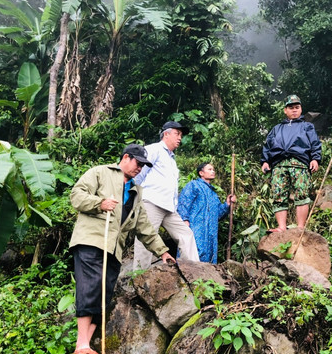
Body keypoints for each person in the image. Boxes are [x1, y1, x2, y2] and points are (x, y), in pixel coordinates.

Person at [69, 144, 176, 354]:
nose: (140, 168)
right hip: (91, 241)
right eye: (138, 163)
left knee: (104, 296)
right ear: (126, 157)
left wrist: (163, 252)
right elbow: (76, 195)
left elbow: (144, 226)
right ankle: (81, 345)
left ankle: (86, 346)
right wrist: (99, 203)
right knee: (90, 288)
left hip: (113, 250)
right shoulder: (100, 172)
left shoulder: (136, 192)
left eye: (144, 165)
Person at [133, 121, 200, 269]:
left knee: (186, 235)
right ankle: (138, 277)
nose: (180, 138)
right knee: (146, 239)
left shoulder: (172, 159)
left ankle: (195, 274)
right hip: (152, 202)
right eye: (177, 133)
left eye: (181, 135)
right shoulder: (153, 149)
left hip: (169, 207)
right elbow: (137, 174)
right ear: (166, 134)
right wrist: (134, 197)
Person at [261, 94, 321, 232]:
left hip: (299, 162)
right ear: (285, 110)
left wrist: (315, 159)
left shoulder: (307, 126)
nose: (294, 110)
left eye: (297, 107)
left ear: (301, 109)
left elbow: (315, 143)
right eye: (291, 107)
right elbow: (268, 145)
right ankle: (281, 227)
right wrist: (265, 161)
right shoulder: (277, 128)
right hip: (279, 164)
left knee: (301, 193)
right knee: (278, 194)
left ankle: (300, 227)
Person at [177, 163, 236, 263]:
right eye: (209, 169)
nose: (213, 171)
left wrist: (227, 204)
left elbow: (218, 214)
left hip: (210, 232)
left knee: (209, 256)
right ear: (201, 173)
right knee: (192, 253)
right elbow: (183, 202)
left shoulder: (213, 193)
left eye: (213, 169)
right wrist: (184, 220)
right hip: (195, 227)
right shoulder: (194, 185)